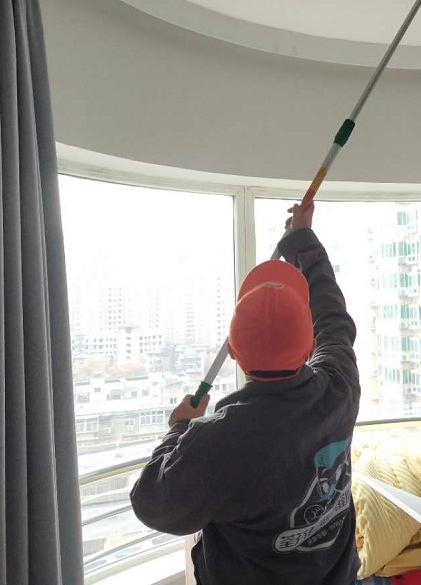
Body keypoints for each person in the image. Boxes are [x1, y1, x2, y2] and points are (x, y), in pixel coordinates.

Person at [130, 203, 360, 584]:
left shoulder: (216, 442)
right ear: (308, 346)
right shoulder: (340, 386)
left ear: (234, 354)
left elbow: (151, 502)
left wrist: (178, 430)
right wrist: (303, 238)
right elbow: (333, 319)